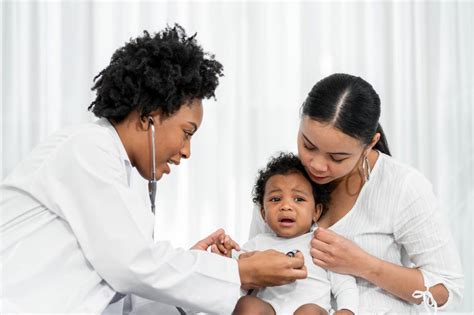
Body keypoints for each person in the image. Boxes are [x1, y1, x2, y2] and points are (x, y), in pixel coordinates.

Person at [0, 25, 308, 314]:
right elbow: (132, 265)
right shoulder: (85, 149)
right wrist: (239, 272)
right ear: (150, 116)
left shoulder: (112, 170)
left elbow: (124, 299)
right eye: (187, 132)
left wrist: (196, 274)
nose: (186, 151)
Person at [249, 73, 464, 313]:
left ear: (370, 144)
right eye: (308, 145)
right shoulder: (281, 184)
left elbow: (448, 290)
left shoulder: (402, 187)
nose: (317, 165)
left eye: (337, 157)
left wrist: (364, 265)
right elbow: (256, 263)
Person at [215, 152, 358, 315]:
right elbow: (237, 274)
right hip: (269, 310)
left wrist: (347, 311)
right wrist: (226, 259)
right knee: (248, 304)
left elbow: (345, 283)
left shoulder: (321, 244)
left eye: (299, 199)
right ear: (263, 214)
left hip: (308, 309)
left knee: (309, 312)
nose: (286, 206)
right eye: (275, 199)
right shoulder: (257, 243)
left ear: (316, 212)